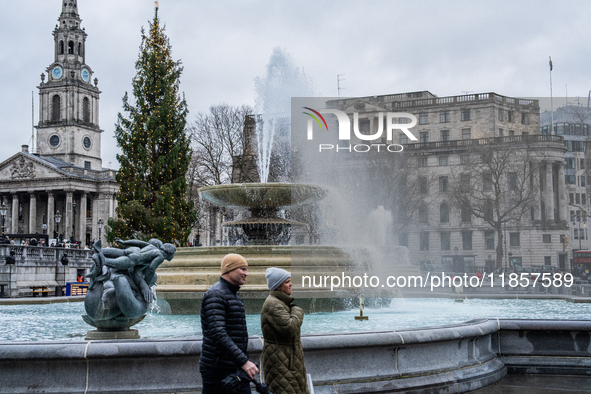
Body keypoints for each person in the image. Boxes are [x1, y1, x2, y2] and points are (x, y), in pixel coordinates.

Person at [199, 253, 258, 394]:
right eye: (242, 269)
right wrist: (244, 361)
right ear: (229, 269)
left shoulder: (231, 294)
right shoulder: (216, 294)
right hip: (218, 370)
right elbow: (218, 333)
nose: (246, 273)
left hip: (232, 368)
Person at [261, 267, 309, 394]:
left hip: (287, 361)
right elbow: (290, 328)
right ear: (278, 286)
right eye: (287, 282)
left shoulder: (281, 302)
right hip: (282, 364)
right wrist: (297, 310)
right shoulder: (274, 304)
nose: (291, 284)